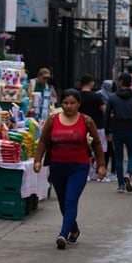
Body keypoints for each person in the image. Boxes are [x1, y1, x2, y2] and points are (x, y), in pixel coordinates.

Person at [33, 89, 105, 249]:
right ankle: (74, 230)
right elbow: (43, 141)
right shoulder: (52, 120)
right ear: (61, 103)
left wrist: (101, 165)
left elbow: (97, 144)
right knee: (63, 203)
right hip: (57, 167)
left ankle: (62, 235)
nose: (69, 106)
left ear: (79, 104)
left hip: (79, 167)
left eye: (73, 103)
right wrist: (38, 160)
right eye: (66, 103)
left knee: (71, 200)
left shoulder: (86, 121)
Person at [105, 72, 132, 193]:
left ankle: (121, 185)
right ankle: (129, 173)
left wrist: (107, 131)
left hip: (117, 130)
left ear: (120, 82)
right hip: (131, 129)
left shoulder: (112, 97)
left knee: (118, 158)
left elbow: (106, 115)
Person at [78, 74, 107, 182]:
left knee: (84, 150)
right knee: (98, 150)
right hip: (97, 126)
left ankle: (86, 172)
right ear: (90, 83)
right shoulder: (96, 97)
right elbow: (104, 110)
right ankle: (98, 172)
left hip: (81, 127)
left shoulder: (78, 96)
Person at [98, 79, 117, 180]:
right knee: (111, 150)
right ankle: (111, 171)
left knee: (107, 150)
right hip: (110, 126)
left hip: (103, 125)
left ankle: (105, 170)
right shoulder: (114, 97)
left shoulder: (99, 95)